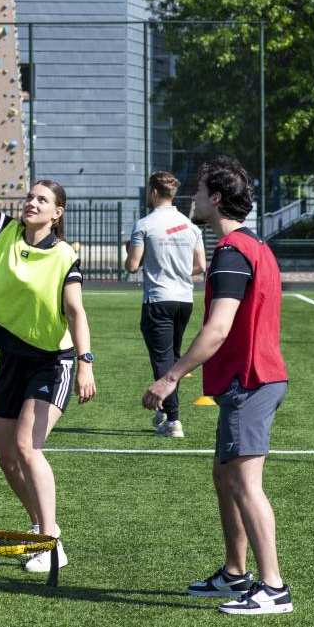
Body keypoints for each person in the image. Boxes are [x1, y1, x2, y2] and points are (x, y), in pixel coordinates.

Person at [142, 156, 291, 615]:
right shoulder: (252, 246)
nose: (193, 196)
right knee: (225, 476)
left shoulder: (231, 252)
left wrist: (171, 377)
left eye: (200, 189)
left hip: (251, 379)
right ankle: (234, 573)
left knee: (246, 484)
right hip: (248, 380)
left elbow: (218, 329)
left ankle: (273, 588)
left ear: (217, 198)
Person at [0, 98, 97, 574]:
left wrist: (86, 363)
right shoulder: (8, 233)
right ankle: (38, 526)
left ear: (57, 214)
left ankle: (52, 538)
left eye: (42, 199)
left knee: (26, 447)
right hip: (12, 358)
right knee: (5, 457)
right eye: (30, 196)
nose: (31, 202)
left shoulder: (65, 257)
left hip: (51, 362)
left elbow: (75, 312)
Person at [126, 171, 206, 438]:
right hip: (184, 299)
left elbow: (132, 265)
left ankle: (173, 420)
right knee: (171, 357)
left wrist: (132, 251)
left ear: (153, 192)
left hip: (158, 298)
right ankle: (163, 412)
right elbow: (200, 266)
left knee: (163, 359)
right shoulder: (190, 226)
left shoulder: (144, 224)